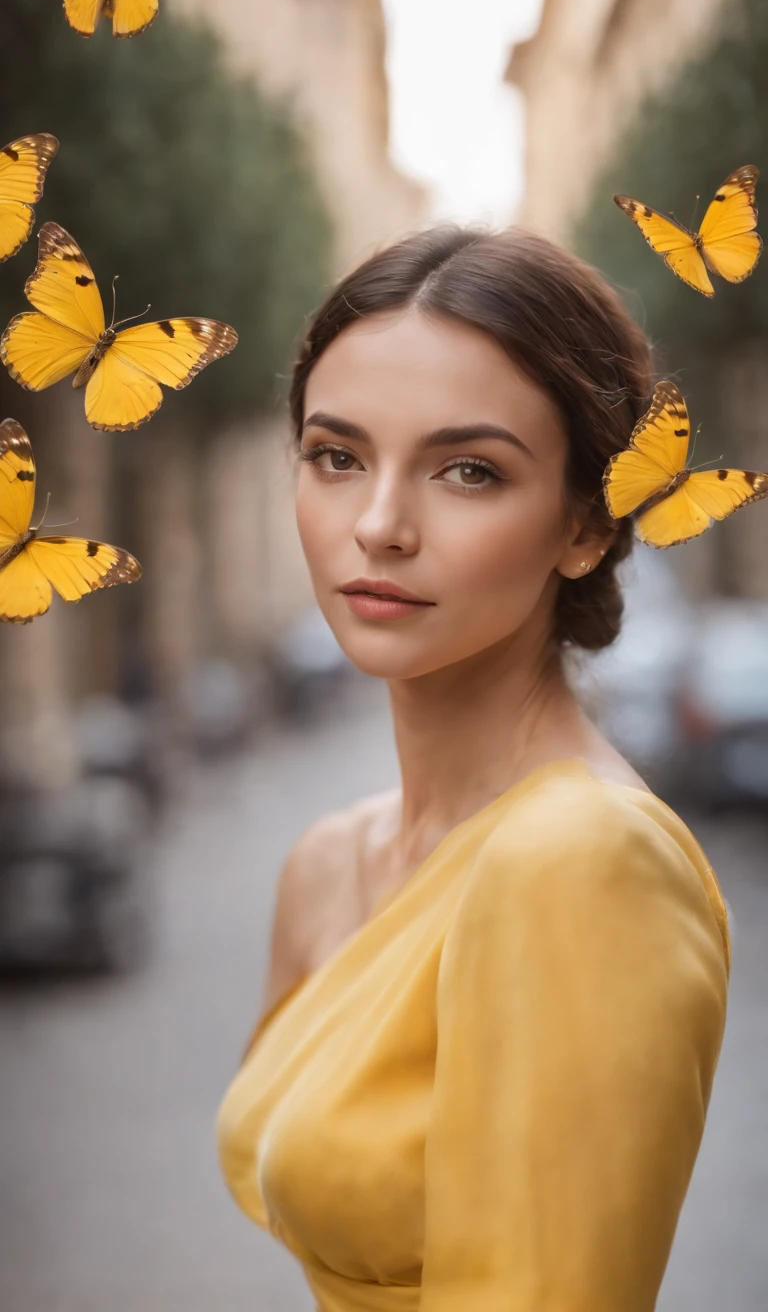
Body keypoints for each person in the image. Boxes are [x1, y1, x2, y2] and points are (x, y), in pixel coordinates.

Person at [216, 226, 731, 1312]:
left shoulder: (583, 860)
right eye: (336, 456)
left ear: (586, 524)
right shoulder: (324, 865)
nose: (379, 526)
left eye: (468, 471)